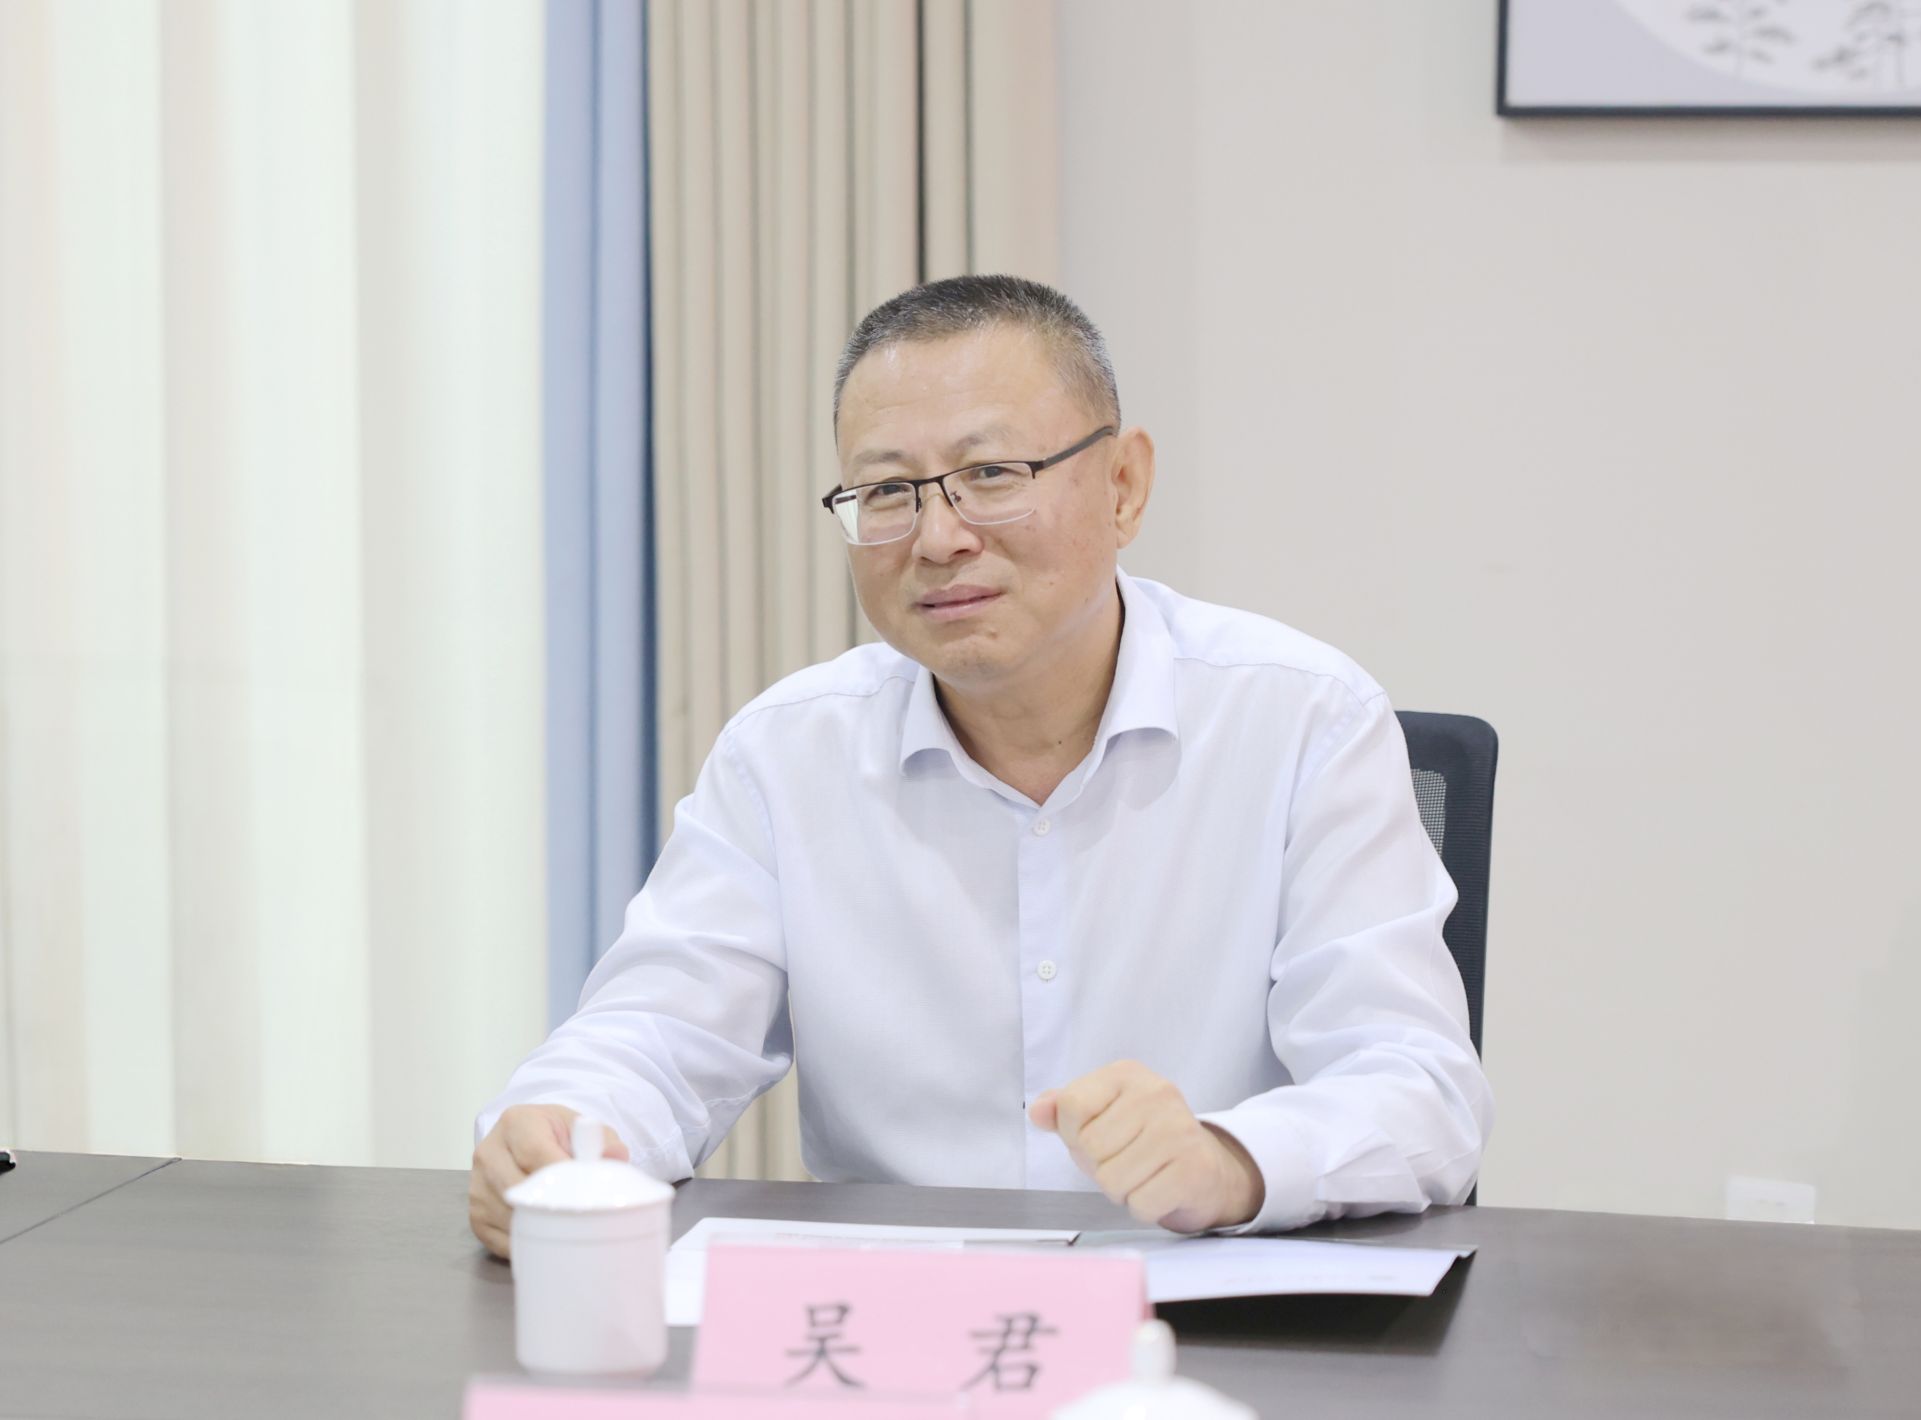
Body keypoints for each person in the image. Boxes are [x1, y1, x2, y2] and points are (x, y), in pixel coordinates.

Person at [468, 275, 1491, 1259]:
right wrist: (563, 1129)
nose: (939, 537)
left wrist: (1230, 1161)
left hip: (1214, 1315)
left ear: (1123, 485)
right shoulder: (787, 754)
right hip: (896, 1322)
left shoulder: (1304, 720)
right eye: (887, 492)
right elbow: (654, 1030)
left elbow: (1419, 1089)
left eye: (992, 475)